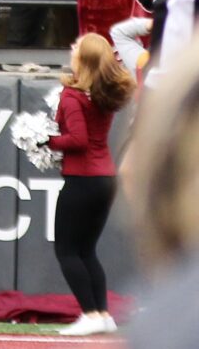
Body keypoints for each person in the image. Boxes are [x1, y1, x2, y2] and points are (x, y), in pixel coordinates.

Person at [50, 31, 134, 336]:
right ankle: (102, 313)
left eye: (77, 46)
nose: (72, 47)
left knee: (66, 250)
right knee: (87, 250)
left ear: (83, 59)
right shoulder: (101, 94)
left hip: (82, 180)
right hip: (104, 179)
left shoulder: (72, 96)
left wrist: (46, 140)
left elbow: (78, 140)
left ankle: (89, 313)